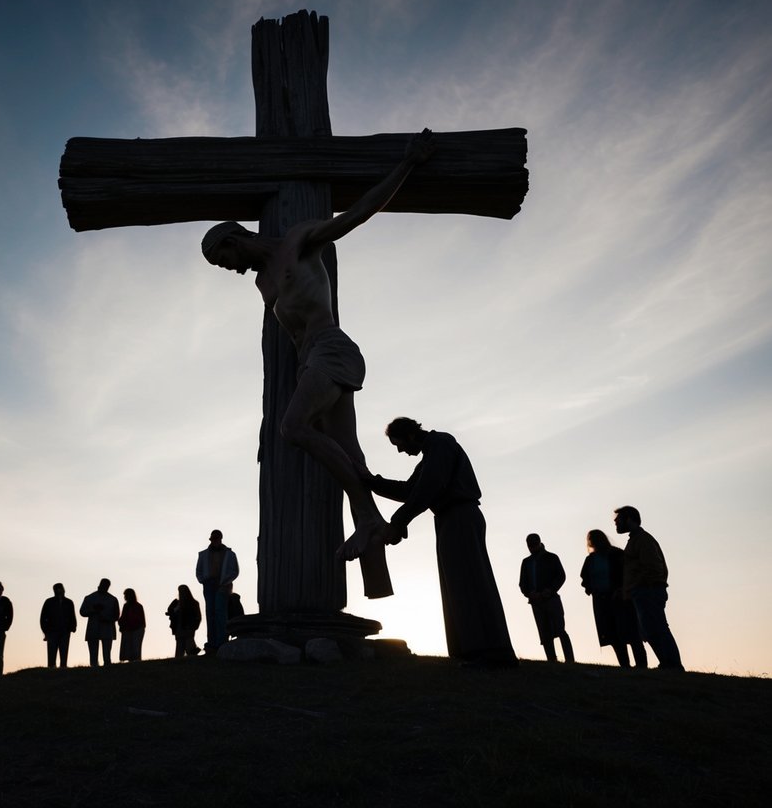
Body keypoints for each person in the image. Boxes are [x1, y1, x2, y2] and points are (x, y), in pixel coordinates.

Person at [202, 130, 434, 570]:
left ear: (233, 240)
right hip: (312, 363)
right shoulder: (262, 282)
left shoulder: (297, 242)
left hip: (332, 348)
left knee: (293, 427)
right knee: (350, 453)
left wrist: (408, 163)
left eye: (223, 261)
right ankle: (375, 534)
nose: (228, 270)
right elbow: (291, 336)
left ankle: (368, 519)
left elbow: (359, 213)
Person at [358, 417, 516, 667]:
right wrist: (371, 482)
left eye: (399, 444)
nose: (400, 451)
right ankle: (470, 649)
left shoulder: (441, 443)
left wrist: (398, 521)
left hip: (460, 516)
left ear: (410, 435)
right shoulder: (429, 456)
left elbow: (429, 487)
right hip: (448, 519)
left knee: (469, 581)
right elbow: (410, 490)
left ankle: (491, 652)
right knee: (456, 584)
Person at [614, 506, 684, 671]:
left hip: (648, 591)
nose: (616, 523)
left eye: (618, 520)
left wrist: (637, 585)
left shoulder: (643, 540)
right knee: (650, 630)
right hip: (643, 591)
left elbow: (653, 567)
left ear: (629, 519)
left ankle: (673, 664)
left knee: (657, 628)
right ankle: (667, 664)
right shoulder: (636, 540)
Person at [581, 529, 646, 668]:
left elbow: (628, 573)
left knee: (631, 632)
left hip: (620, 598)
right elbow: (585, 577)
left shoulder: (617, 554)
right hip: (601, 600)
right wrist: (590, 588)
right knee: (613, 634)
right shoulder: (591, 559)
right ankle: (625, 665)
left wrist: (622, 588)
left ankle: (641, 665)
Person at [519, 534, 574, 663]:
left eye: (533, 544)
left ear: (539, 542)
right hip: (536, 602)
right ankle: (551, 660)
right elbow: (523, 583)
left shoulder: (552, 557)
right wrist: (529, 594)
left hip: (551, 599)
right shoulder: (526, 562)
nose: (532, 547)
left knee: (560, 630)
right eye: (530, 545)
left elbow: (561, 576)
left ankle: (570, 660)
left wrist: (550, 590)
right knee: (544, 633)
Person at [195, 530, 239, 653]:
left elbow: (235, 571)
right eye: (213, 539)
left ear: (220, 539)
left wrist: (225, 581)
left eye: (216, 539)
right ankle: (212, 642)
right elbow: (198, 571)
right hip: (209, 585)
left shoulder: (229, 554)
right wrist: (204, 580)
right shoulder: (203, 555)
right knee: (210, 613)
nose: (214, 541)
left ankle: (221, 642)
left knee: (220, 613)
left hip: (223, 586)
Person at [79, 578, 119, 667]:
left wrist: (107, 619)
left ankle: (105, 666)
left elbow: (116, 615)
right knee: (94, 654)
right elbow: (82, 612)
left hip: (106, 629)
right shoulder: (90, 598)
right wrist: (93, 610)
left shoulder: (112, 599)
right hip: (94, 628)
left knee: (106, 654)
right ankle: (96, 667)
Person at [39, 583, 77, 669]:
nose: (59, 591)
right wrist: (46, 631)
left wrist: (73, 626)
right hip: (52, 631)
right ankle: (52, 668)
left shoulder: (69, 602)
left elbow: (72, 616)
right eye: (57, 589)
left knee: (64, 652)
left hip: (65, 631)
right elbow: (43, 618)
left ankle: (63, 667)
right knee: (52, 653)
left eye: (60, 589)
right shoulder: (49, 602)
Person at [166, 585, 202, 658]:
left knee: (189, 648)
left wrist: (193, 627)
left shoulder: (193, 603)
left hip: (188, 629)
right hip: (180, 629)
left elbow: (198, 617)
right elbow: (170, 611)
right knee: (180, 649)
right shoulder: (176, 603)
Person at [118, 588, 146, 662]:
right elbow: (123, 617)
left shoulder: (138, 606)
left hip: (137, 629)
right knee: (129, 647)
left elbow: (141, 620)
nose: (125, 597)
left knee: (135, 646)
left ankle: (136, 660)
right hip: (129, 629)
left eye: (126, 595)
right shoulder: (126, 606)